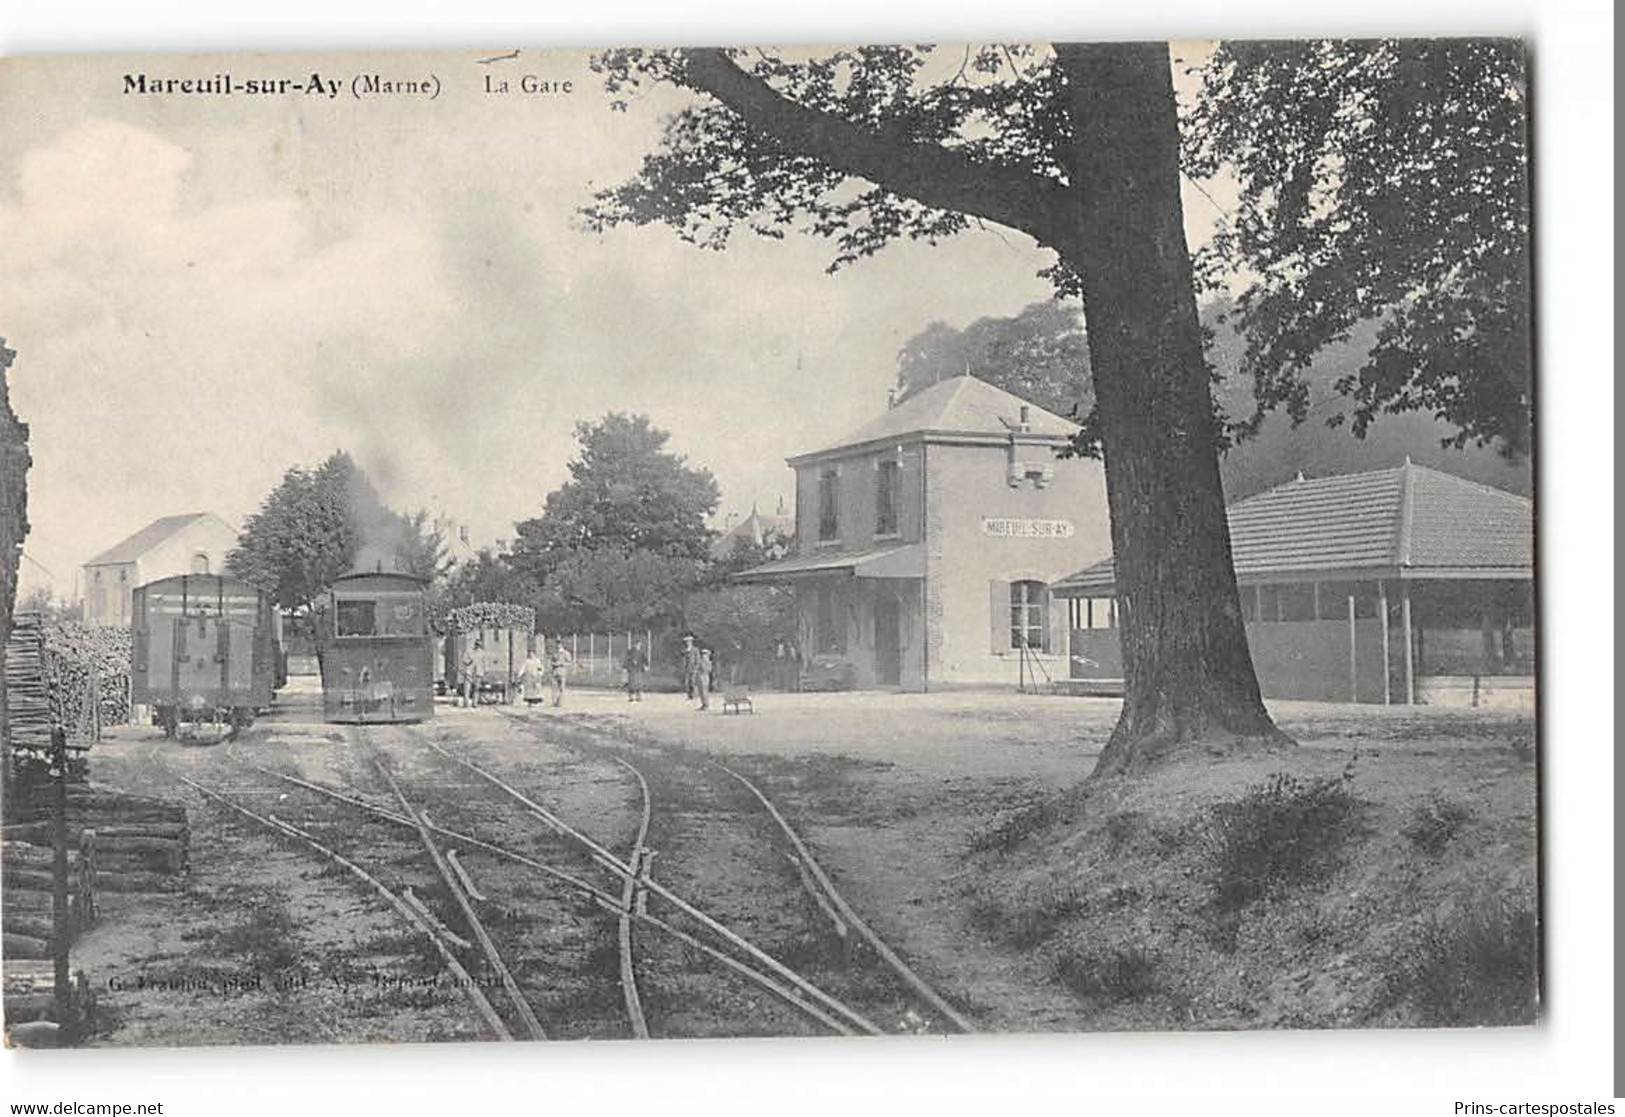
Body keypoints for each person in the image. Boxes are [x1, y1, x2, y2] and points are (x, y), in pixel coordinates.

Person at [547, 636, 574, 708]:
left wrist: (562, 664)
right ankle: (554, 702)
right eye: (557, 643)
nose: (558, 645)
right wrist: (553, 664)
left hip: (562, 672)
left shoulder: (566, 653)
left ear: (562, 645)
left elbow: (570, 663)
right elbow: (551, 662)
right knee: (554, 688)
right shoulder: (554, 653)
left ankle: (560, 703)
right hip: (555, 672)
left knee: (562, 688)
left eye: (559, 643)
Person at [681, 634, 702, 701]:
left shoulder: (695, 649)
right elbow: (684, 659)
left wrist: (696, 668)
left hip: (693, 668)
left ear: (691, 642)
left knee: (693, 682)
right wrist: (684, 667)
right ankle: (689, 696)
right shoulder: (685, 650)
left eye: (689, 641)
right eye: (686, 642)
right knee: (687, 683)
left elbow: (698, 659)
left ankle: (694, 695)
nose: (687, 643)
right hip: (687, 668)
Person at [695, 646, 713, 711]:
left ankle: (706, 705)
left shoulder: (708, 661)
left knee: (704, 691)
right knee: (701, 691)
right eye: (702, 653)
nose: (703, 655)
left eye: (704, 653)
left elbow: (708, 670)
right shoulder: (701, 660)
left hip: (704, 676)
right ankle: (703, 704)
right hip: (700, 676)